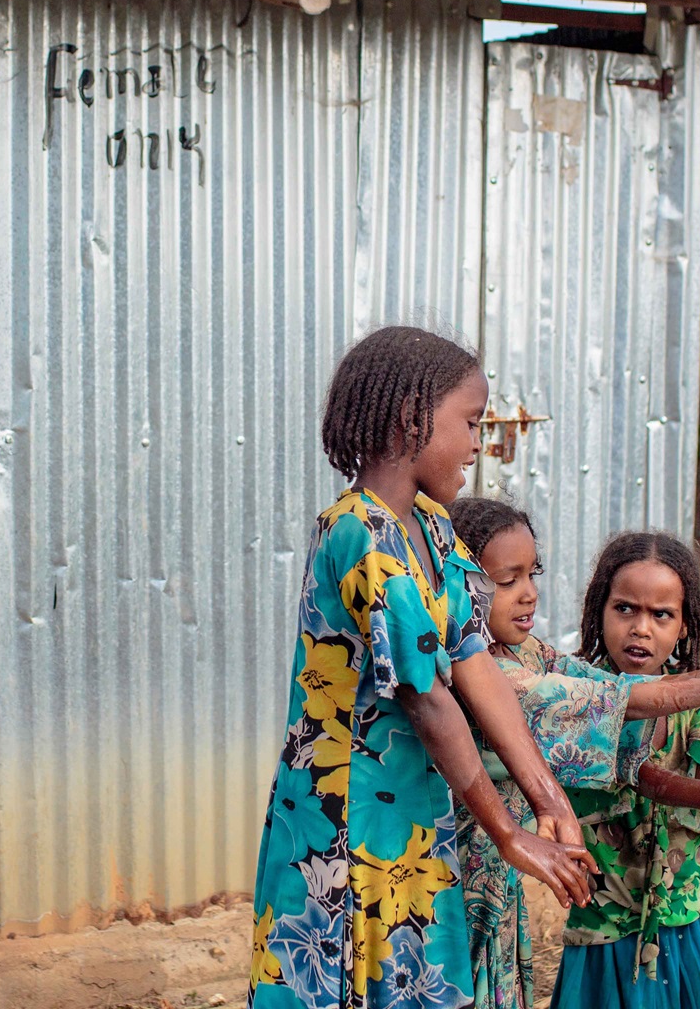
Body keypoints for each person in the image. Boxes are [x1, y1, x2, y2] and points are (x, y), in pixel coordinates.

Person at [248, 326, 596, 1009]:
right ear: (413, 417)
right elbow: (428, 698)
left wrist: (550, 800)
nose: (477, 443)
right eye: (470, 422)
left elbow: (474, 664)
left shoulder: (433, 529)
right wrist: (507, 833)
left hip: (411, 819)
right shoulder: (359, 533)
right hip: (342, 829)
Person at [446, 501, 700, 1009]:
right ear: (459, 585)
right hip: (473, 883)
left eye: (532, 575)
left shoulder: (528, 653)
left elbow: (620, 693)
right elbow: (618, 702)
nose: (529, 593)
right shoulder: (489, 672)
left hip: (520, 886)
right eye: (507, 579)